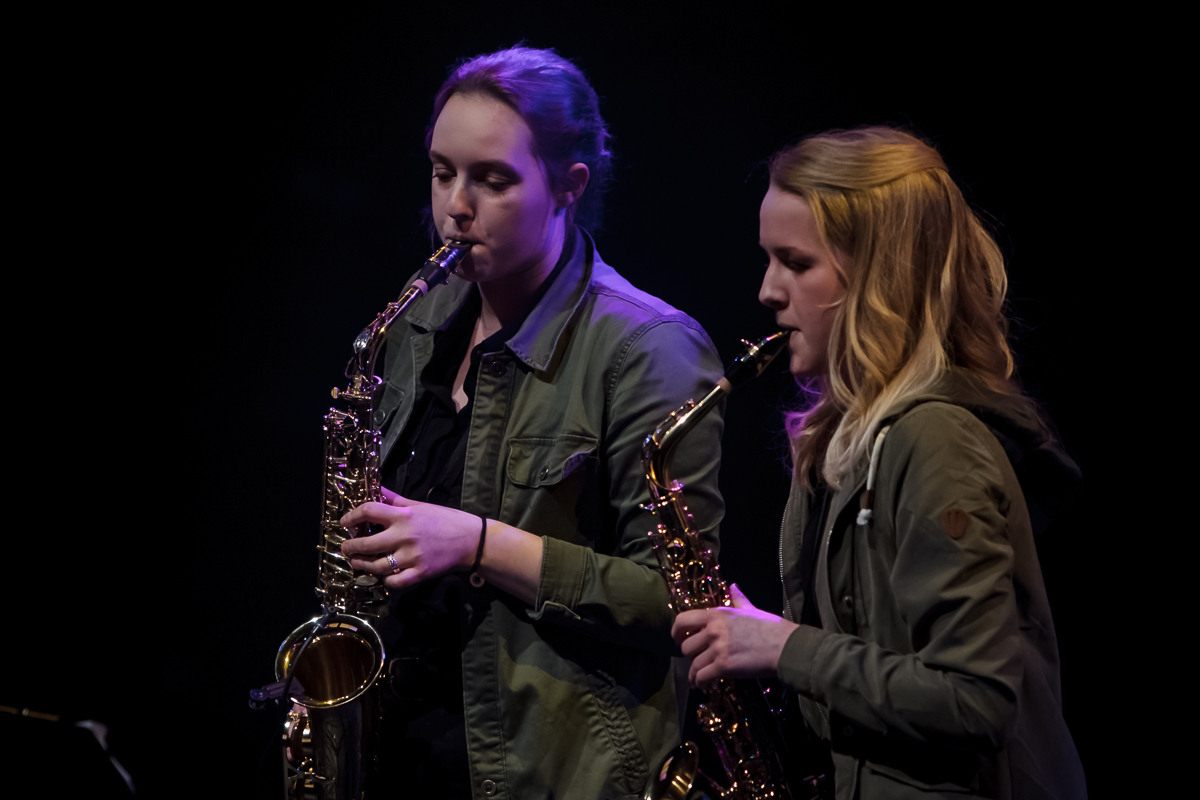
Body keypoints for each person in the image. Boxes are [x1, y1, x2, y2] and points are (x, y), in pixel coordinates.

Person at [337, 46, 725, 799]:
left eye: (493, 180)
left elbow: (681, 599)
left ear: (568, 187)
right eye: (443, 171)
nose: (456, 205)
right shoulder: (418, 324)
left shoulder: (649, 348)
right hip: (400, 747)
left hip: (548, 770)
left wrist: (481, 543)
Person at [672, 128, 1087, 799]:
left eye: (796, 263)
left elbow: (975, 701)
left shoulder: (935, 440)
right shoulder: (848, 438)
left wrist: (784, 649)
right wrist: (761, 642)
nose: (767, 291)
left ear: (878, 278)